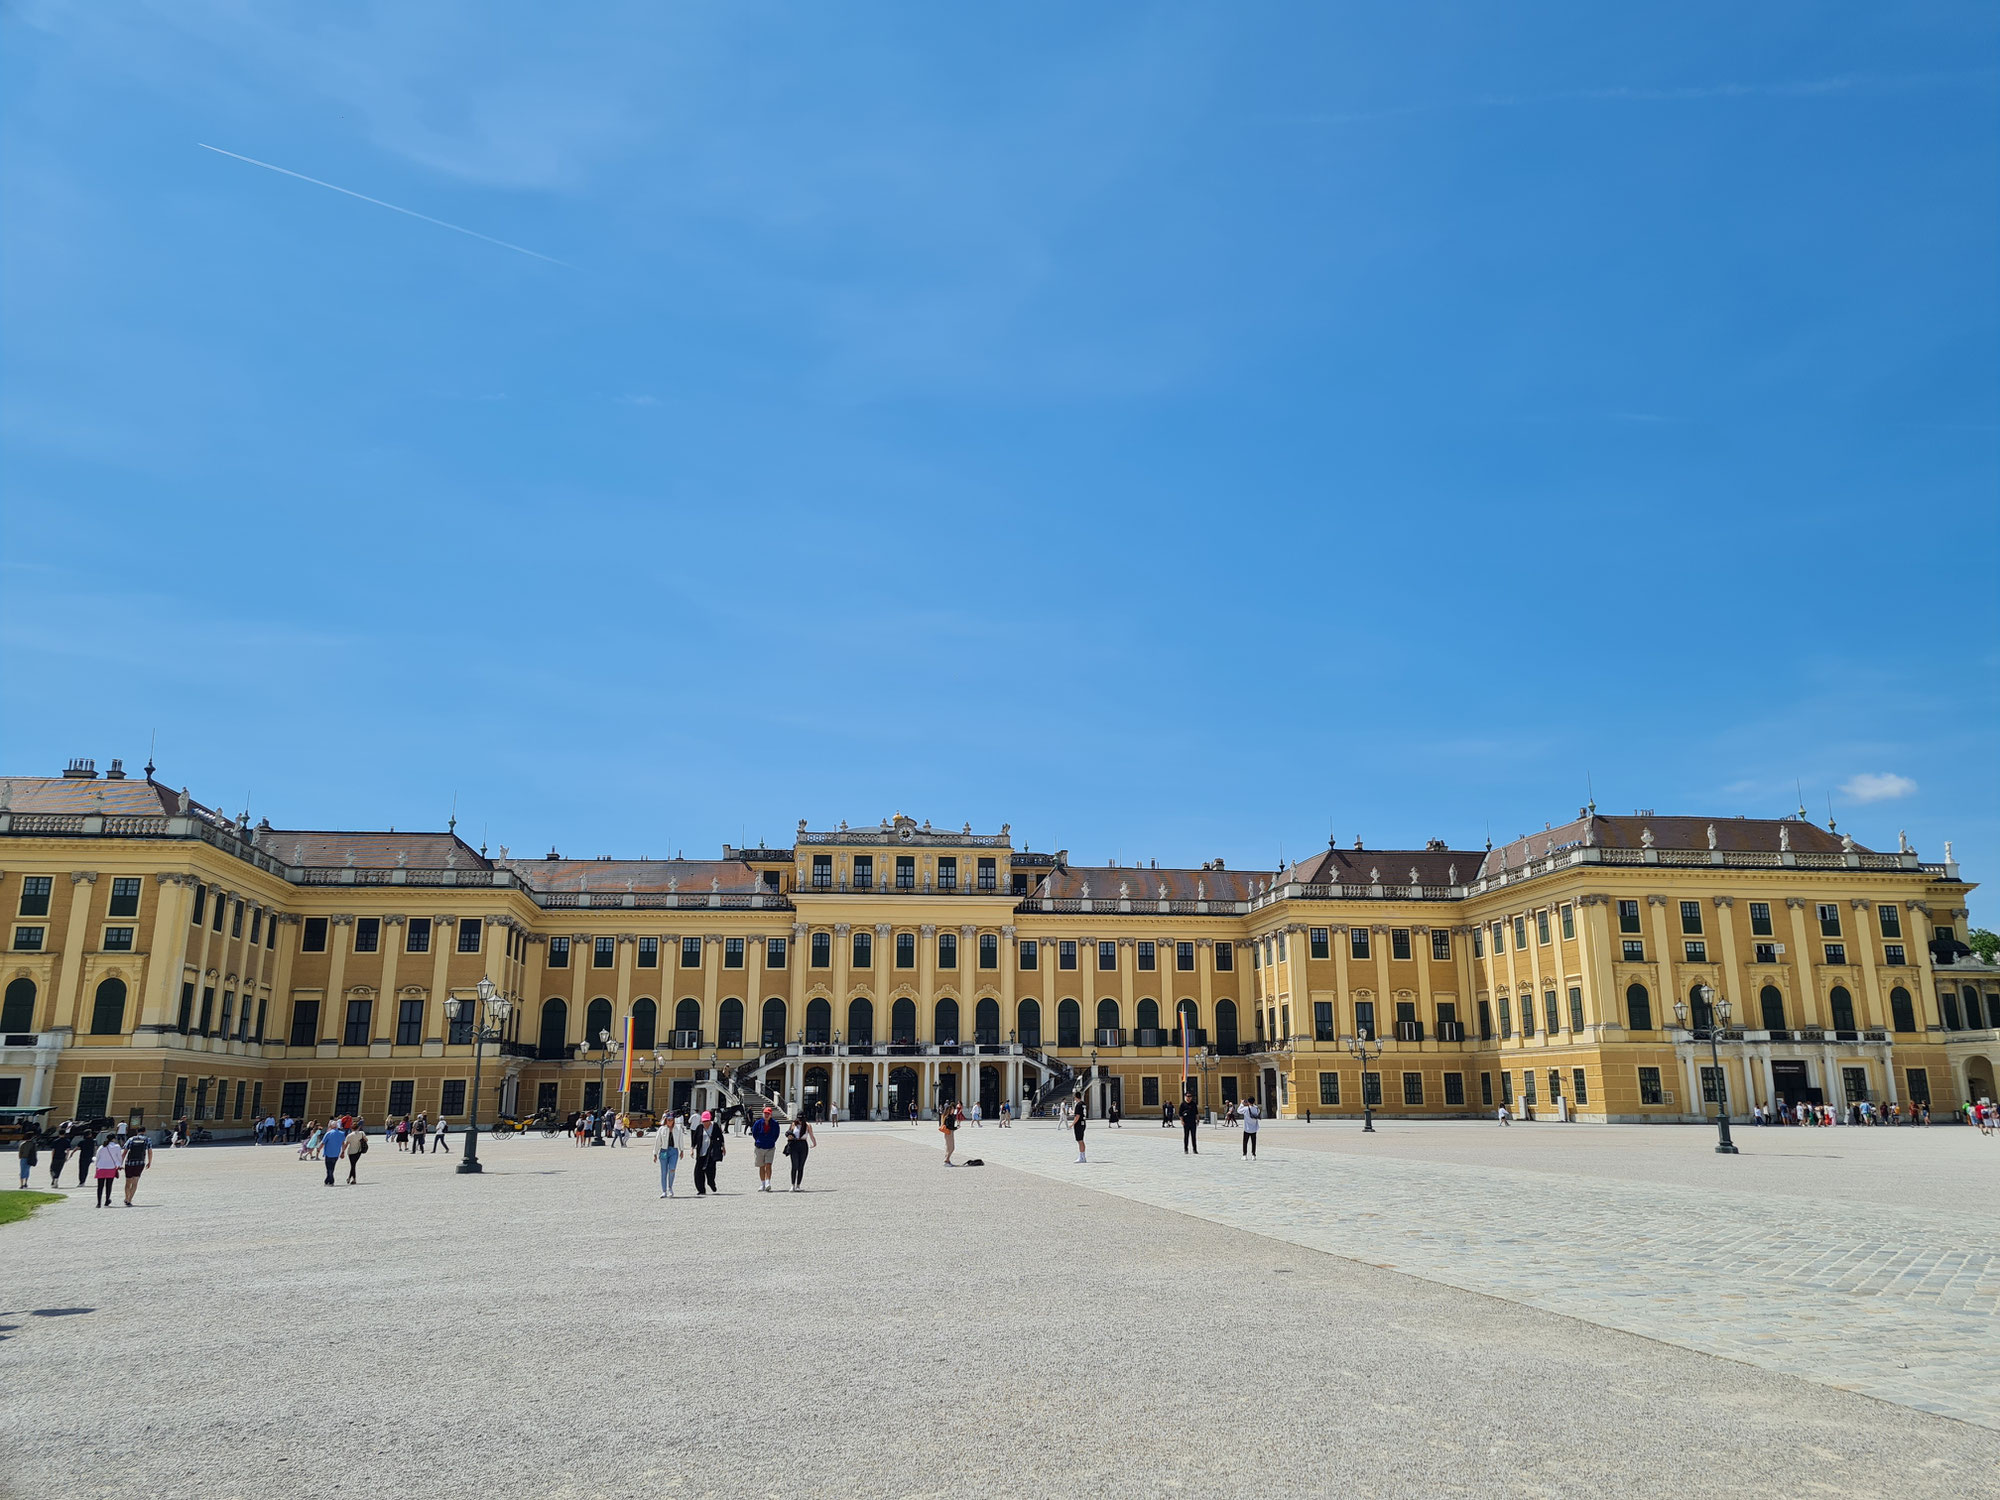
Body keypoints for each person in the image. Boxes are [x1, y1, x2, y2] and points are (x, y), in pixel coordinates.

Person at [748, 1105, 783, 1191]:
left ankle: (768, 1182)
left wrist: (771, 1141)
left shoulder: (775, 1124)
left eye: (768, 1114)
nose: (766, 1115)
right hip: (759, 1147)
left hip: (770, 1147)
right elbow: (754, 1133)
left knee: (768, 1164)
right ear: (763, 1114)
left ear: (771, 1115)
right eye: (765, 1113)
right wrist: (759, 1140)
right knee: (761, 1166)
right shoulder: (758, 1123)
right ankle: (762, 1183)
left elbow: (776, 1134)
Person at [691, 1110, 726, 1196]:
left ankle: (711, 1183)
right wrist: (692, 1149)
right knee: (698, 1172)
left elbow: (720, 1137)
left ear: (710, 1120)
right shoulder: (699, 1128)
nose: (705, 1123)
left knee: (710, 1170)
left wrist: (723, 1147)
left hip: (711, 1153)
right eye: (703, 1121)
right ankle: (701, 1189)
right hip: (701, 1153)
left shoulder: (715, 1127)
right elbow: (694, 1139)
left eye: (706, 1121)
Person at [654, 1112, 686, 1198]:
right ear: (666, 1120)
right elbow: (657, 1141)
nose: (670, 1122)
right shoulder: (662, 1129)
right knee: (664, 1171)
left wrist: (682, 1150)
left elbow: (680, 1140)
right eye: (668, 1120)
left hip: (674, 1151)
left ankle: (670, 1188)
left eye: (671, 1120)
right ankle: (664, 1191)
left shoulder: (678, 1129)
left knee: (672, 1169)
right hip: (664, 1151)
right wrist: (655, 1153)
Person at [784, 1114, 818, 1191]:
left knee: (801, 1166)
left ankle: (798, 1185)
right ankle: (792, 1185)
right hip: (794, 1144)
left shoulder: (807, 1125)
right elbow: (789, 1133)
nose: (799, 1121)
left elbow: (811, 1135)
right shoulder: (793, 1124)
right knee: (794, 1165)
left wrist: (814, 1143)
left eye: (801, 1119)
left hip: (803, 1145)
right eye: (798, 1119)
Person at [92, 1134, 125, 1208]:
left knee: (100, 1186)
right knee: (109, 1185)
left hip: (101, 1167)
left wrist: (97, 1166)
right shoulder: (117, 1147)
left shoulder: (102, 1147)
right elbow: (119, 1157)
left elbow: (97, 1157)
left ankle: (98, 1203)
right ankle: (107, 1200)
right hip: (111, 1167)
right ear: (114, 1139)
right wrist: (119, 1165)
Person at [121, 1129, 152, 1206]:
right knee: (135, 1182)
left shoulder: (131, 1139)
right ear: (144, 1131)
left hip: (129, 1162)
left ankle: (126, 1197)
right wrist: (149, 1162)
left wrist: (120, 1163)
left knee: (128, 1182)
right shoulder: (147, 1139)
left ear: (137, 1132)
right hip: (140, 1162)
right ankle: (130, 1199)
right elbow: (150, 1151)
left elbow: (124, 1152)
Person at [320, 1119, 348, 1186]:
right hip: (336, 1153)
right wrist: (343, 1152)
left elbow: (323, 1143)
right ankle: (329, 1180)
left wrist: (318, 1149)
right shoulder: (341, 1134)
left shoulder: (328, 1133)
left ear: (331, 1126)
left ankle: (330, 1180)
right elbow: (343, 1144)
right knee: (332, 1167)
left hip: (328, 1153)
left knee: (328, 1167)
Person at [344, 1117, 368, 1184]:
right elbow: (366, 1140)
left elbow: (346, 1144)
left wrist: (342, 1152)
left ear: (351, 1128)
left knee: (353, 1165)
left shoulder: (349, 1135)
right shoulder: (362, 1133)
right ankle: (351, 1178)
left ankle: (352, 1179)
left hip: (351, 1152)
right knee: (353, 1165)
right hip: (358, 1151)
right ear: (358, 1127)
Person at [940, 1101, 959, 1166]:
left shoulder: (950, 1116)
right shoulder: (948, 1117)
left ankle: (947, 1160)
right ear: (949, 1110)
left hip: (950, 1133)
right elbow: (949, 1126)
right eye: (952, 1109)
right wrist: (956, 1128)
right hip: (949, 1133)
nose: (953, 1110)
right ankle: (946, 1160)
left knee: (949, 1147)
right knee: (951, 1148)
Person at [1073, 1098, 1088, 1164]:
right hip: (1083, 1122)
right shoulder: (1083, 1104)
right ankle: (1082, 1156)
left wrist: (1072, 1124)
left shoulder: (1078, 1105)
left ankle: (1082, 1157)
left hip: (1079, 1123)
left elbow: (1077, 1115)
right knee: (1081, 1140)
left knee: (1080, 1140)